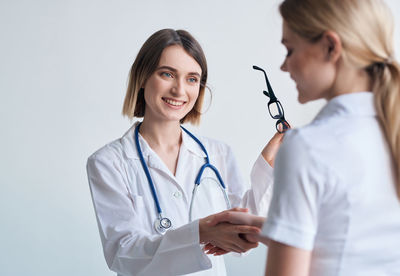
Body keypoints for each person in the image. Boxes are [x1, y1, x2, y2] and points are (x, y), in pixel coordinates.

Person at [208, 0, 400, 275]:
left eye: (289, 50)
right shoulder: (390, 131)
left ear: (330, 47)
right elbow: (358, 236)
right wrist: (273, 228)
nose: (284, 66)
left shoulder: (307, 147)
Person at [86, 28, 276, 276]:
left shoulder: (217, 154)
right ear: (142, 78)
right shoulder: (108, 163)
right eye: (167, 74)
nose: (179, 90)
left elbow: (241, 241)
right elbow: (124, 254)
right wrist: (200, 232)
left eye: (192, 79)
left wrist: (270, 162)